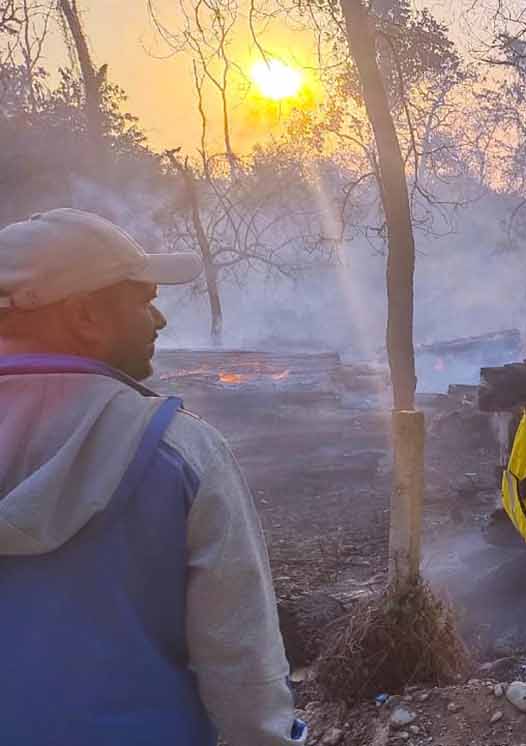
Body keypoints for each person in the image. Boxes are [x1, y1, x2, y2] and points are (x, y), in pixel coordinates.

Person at [0, 209, 304, 745]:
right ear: (85, 317)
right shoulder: (181, 452)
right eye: (142, 300)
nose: (159, 320)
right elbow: (243, 676)